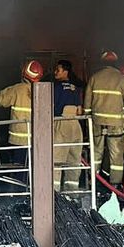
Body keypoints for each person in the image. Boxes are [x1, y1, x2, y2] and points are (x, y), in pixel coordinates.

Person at [84, 50, 124, 186]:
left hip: (97, 122)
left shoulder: (94, 78)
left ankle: (93, 182)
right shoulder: (121, 79)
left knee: (96, 152)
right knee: (116, 155)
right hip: (115, 123)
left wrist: (88, 118)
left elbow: (87, 102)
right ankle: (115, 185)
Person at [0, 59, 43, 167]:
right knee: (34, 167)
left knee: (19, 167)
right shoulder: (42, 90)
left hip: (19, 139)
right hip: (36, 138)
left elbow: (2, 101)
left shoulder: (18, 89)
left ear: (24, 72)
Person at [52, 60, 85, 192]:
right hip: (76, 126)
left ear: (65, 71)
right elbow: (80, 111)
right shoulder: (75, 88)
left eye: (58, 70)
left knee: (57, 160)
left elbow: (51, 107)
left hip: (61, 124)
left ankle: (55, 193)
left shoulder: (56, 88)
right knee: (74, 160)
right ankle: (72, 193)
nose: (55, 72)